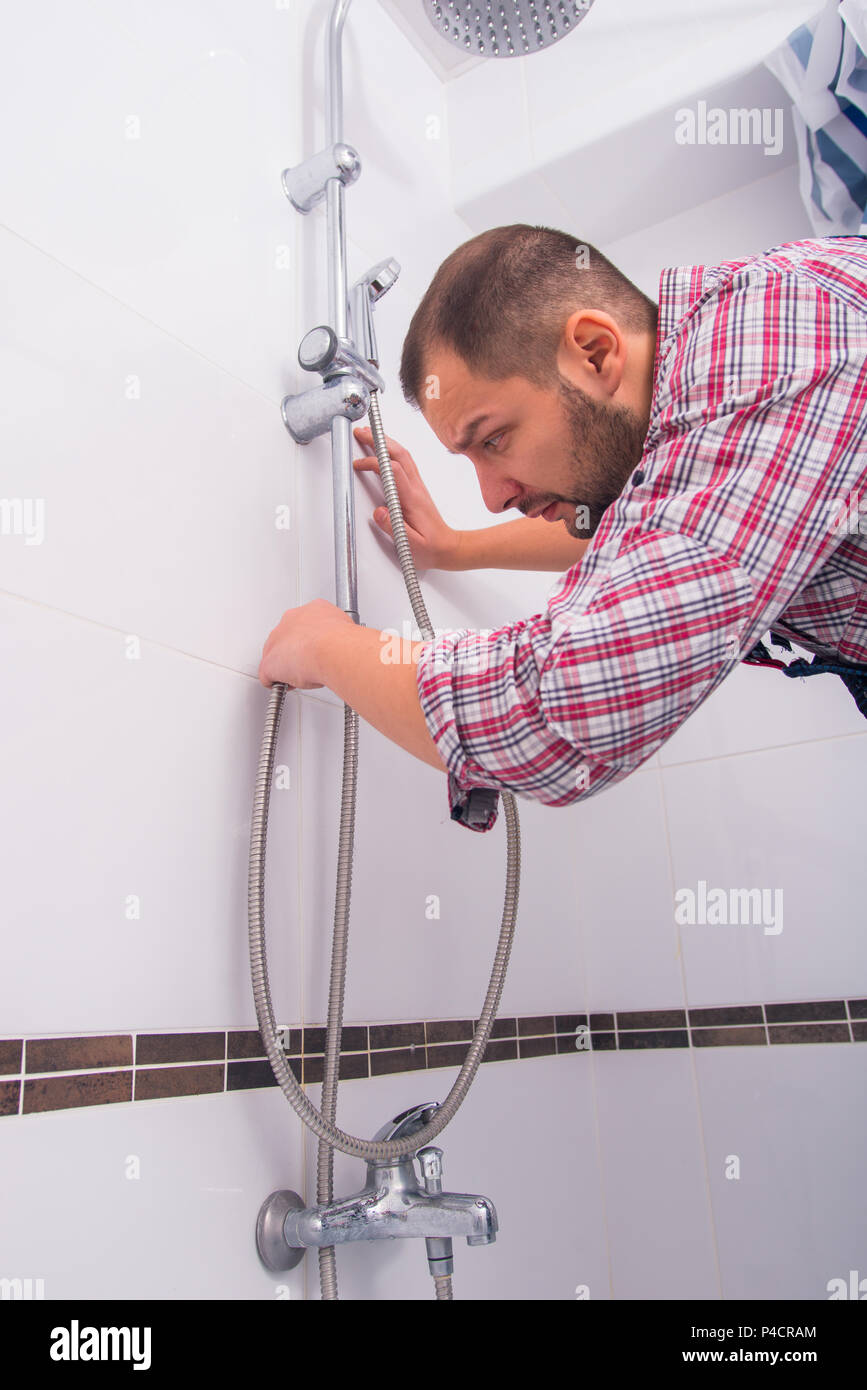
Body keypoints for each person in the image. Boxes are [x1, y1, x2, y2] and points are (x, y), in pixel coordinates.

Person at [259, 225, 867, 832]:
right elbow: (647, 518)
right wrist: (457, 549)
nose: (492, 497)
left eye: (494, 440)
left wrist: (326, 645)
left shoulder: (771, 361)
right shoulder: (713, 369)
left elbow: (556, 715)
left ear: (596, 353)